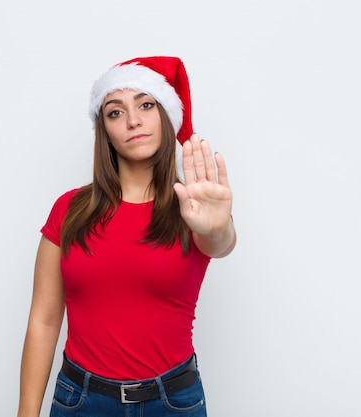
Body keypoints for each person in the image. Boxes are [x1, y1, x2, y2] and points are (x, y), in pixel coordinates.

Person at [17, 56, 237, 417]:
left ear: (166, 116)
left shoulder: (192, 207)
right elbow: (43, 319)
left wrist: (218, 226)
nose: (133, 120)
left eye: (146, 105)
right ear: (104, 130)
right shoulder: (68, 209)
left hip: (174, 402)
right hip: (81, 401)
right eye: (115, 112)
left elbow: (221, 242)